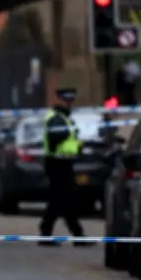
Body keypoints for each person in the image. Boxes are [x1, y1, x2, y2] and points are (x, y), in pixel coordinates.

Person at [38, 89, 91, 247]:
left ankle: (77, 235)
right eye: (66, 101)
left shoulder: (63, 118)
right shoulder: (56, 118)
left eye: (71, 101)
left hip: (64, 162)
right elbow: (56, 137)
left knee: (67, 200)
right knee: (60, 200)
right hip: (58, 163)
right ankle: (47, 233)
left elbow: (69, 140)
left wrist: (77, 147)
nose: (69, 104)